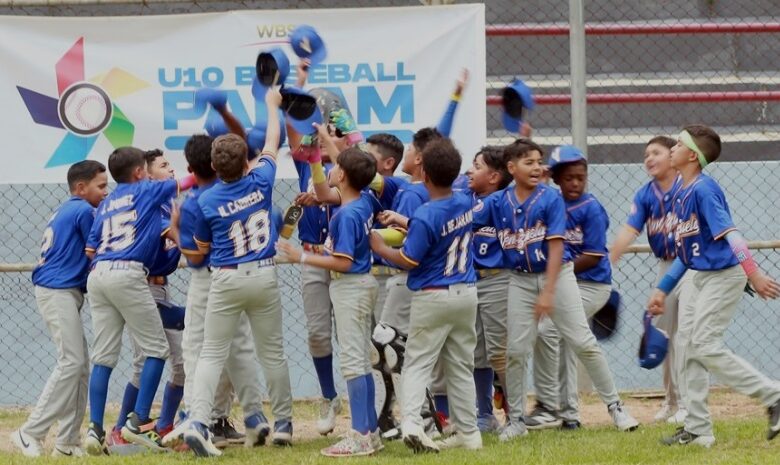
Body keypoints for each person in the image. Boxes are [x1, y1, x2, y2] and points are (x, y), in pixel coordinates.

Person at [472, 138, 639, 442]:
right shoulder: (498, 202)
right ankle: (517, 420)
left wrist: (548, 292)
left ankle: (616, 408)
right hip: (519, 279)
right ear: (511, 168)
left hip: (557, 277)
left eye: (539, 162)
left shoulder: (550, 199)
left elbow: (557, 247)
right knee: (516, 351)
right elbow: (463, 219)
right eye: (529, 162)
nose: (537, 167)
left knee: (583, 342)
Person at [648, 125, 780, 447]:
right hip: (698, 275)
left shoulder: (704, 190)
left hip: (724, 275)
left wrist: (753, 273)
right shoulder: (681, 191)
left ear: (693, 156)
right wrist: (663, 289)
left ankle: (774, 395)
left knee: (705, 344)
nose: (673, 147)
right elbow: (686, 254)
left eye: (679, 144)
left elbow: (732, 234)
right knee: (687, 346)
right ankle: (698, 430)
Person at [183, 89, 293, 457]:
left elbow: (201, 248)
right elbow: (273, 140)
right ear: (246, 159)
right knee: (272, 352)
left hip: (227, 277)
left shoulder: (206, 199)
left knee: (212, 353)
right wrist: (272, 106)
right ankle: (284, 423)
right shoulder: (261, 180)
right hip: (263, 273)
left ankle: (199, 421)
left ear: (215, 168)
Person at [371, 138, 482, 453]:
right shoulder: (464, 200)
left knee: (417, 362)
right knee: (460, 365)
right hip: (465, 293)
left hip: (433, 295)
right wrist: (404, 221)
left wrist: (381, 248)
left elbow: (409, 259)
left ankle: (412, 424)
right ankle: (469, 433)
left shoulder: (426, 213)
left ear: (426, 176)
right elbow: (438, 228)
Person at [83, 147, 196, 455]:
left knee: (103, 356)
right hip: (128, 272)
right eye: (145, 170)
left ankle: (95, 428)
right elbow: (188, 181)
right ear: (138, 173)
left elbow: (90, 250)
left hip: (98, 274)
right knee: (156, 351)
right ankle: (137, 423)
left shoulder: (107, 203)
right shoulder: (145, 189)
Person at [162, 134, 268, 451]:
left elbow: (196, 257)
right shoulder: (242, 189)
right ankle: (254, 414)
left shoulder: (196, 201)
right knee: (240, 347)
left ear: (192, 168)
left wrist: (176, 230)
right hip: (243, 274)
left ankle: (196, 418)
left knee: (196, 348)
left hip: (209, 279)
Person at [277, 146, 383, 457]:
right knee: (360, 361)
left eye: (335, 167)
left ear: (344, 176)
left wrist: (301, 256)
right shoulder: (364, 200)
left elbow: (344, 262)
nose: (330, 171)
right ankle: (370, 431)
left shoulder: (346, 214)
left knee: (353, 363)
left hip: (351, 286)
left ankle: (360, 436)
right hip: (360, 285)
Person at [10, 161, 107, 457]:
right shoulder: (83, 210)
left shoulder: (71, 208)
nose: (106, 191)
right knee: (72, 362)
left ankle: (67, 443)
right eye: (101, 186)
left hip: (64, 290)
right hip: (56, 290)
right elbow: (100, 249)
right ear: (81, 188)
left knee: (79, 367)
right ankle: (30, 431)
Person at [530, 145, 614, 430]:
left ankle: (549, 405)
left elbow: (593, 255)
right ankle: (569, 415)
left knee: (549, 329)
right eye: (568, 178)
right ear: (555, 179)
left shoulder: (590, 208)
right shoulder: (551, 201)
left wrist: (557, 273)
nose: (575, 183)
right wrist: (542, 177)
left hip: (592, 284)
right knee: (564, 340)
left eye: (580, 177)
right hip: (567, 284)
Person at [610, 136, 691, 424]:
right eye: (646, 154)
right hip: (666, 266)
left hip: (693, 265)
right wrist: (611, 257)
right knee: (663, 336)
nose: (649, 158)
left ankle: (688, 403)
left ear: (673, 155)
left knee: (686, 335)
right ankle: (672, 401)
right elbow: (630, 230)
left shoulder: (688, 187)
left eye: (656, 152)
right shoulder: (645, 194)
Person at [110, 149, 188, 446]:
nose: (171, 170)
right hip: (142, 290)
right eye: (163, 166)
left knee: (181, 363)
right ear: (147, 176)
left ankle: (165, 425)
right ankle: (122, 428)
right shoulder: (150, 207)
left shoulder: (168, 206)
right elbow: (176, 244)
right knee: (143, 362)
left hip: (160, 290)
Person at [460, 146, 513, 432]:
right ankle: (484, 414)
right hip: (471, 279)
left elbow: (460, 223)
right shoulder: (468, 195)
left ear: (494, 177)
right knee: (477, 352)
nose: (470, 170)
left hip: (497, 279)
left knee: (499, 351)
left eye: (477, 166)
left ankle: (515, 414)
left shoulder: (500, 200)